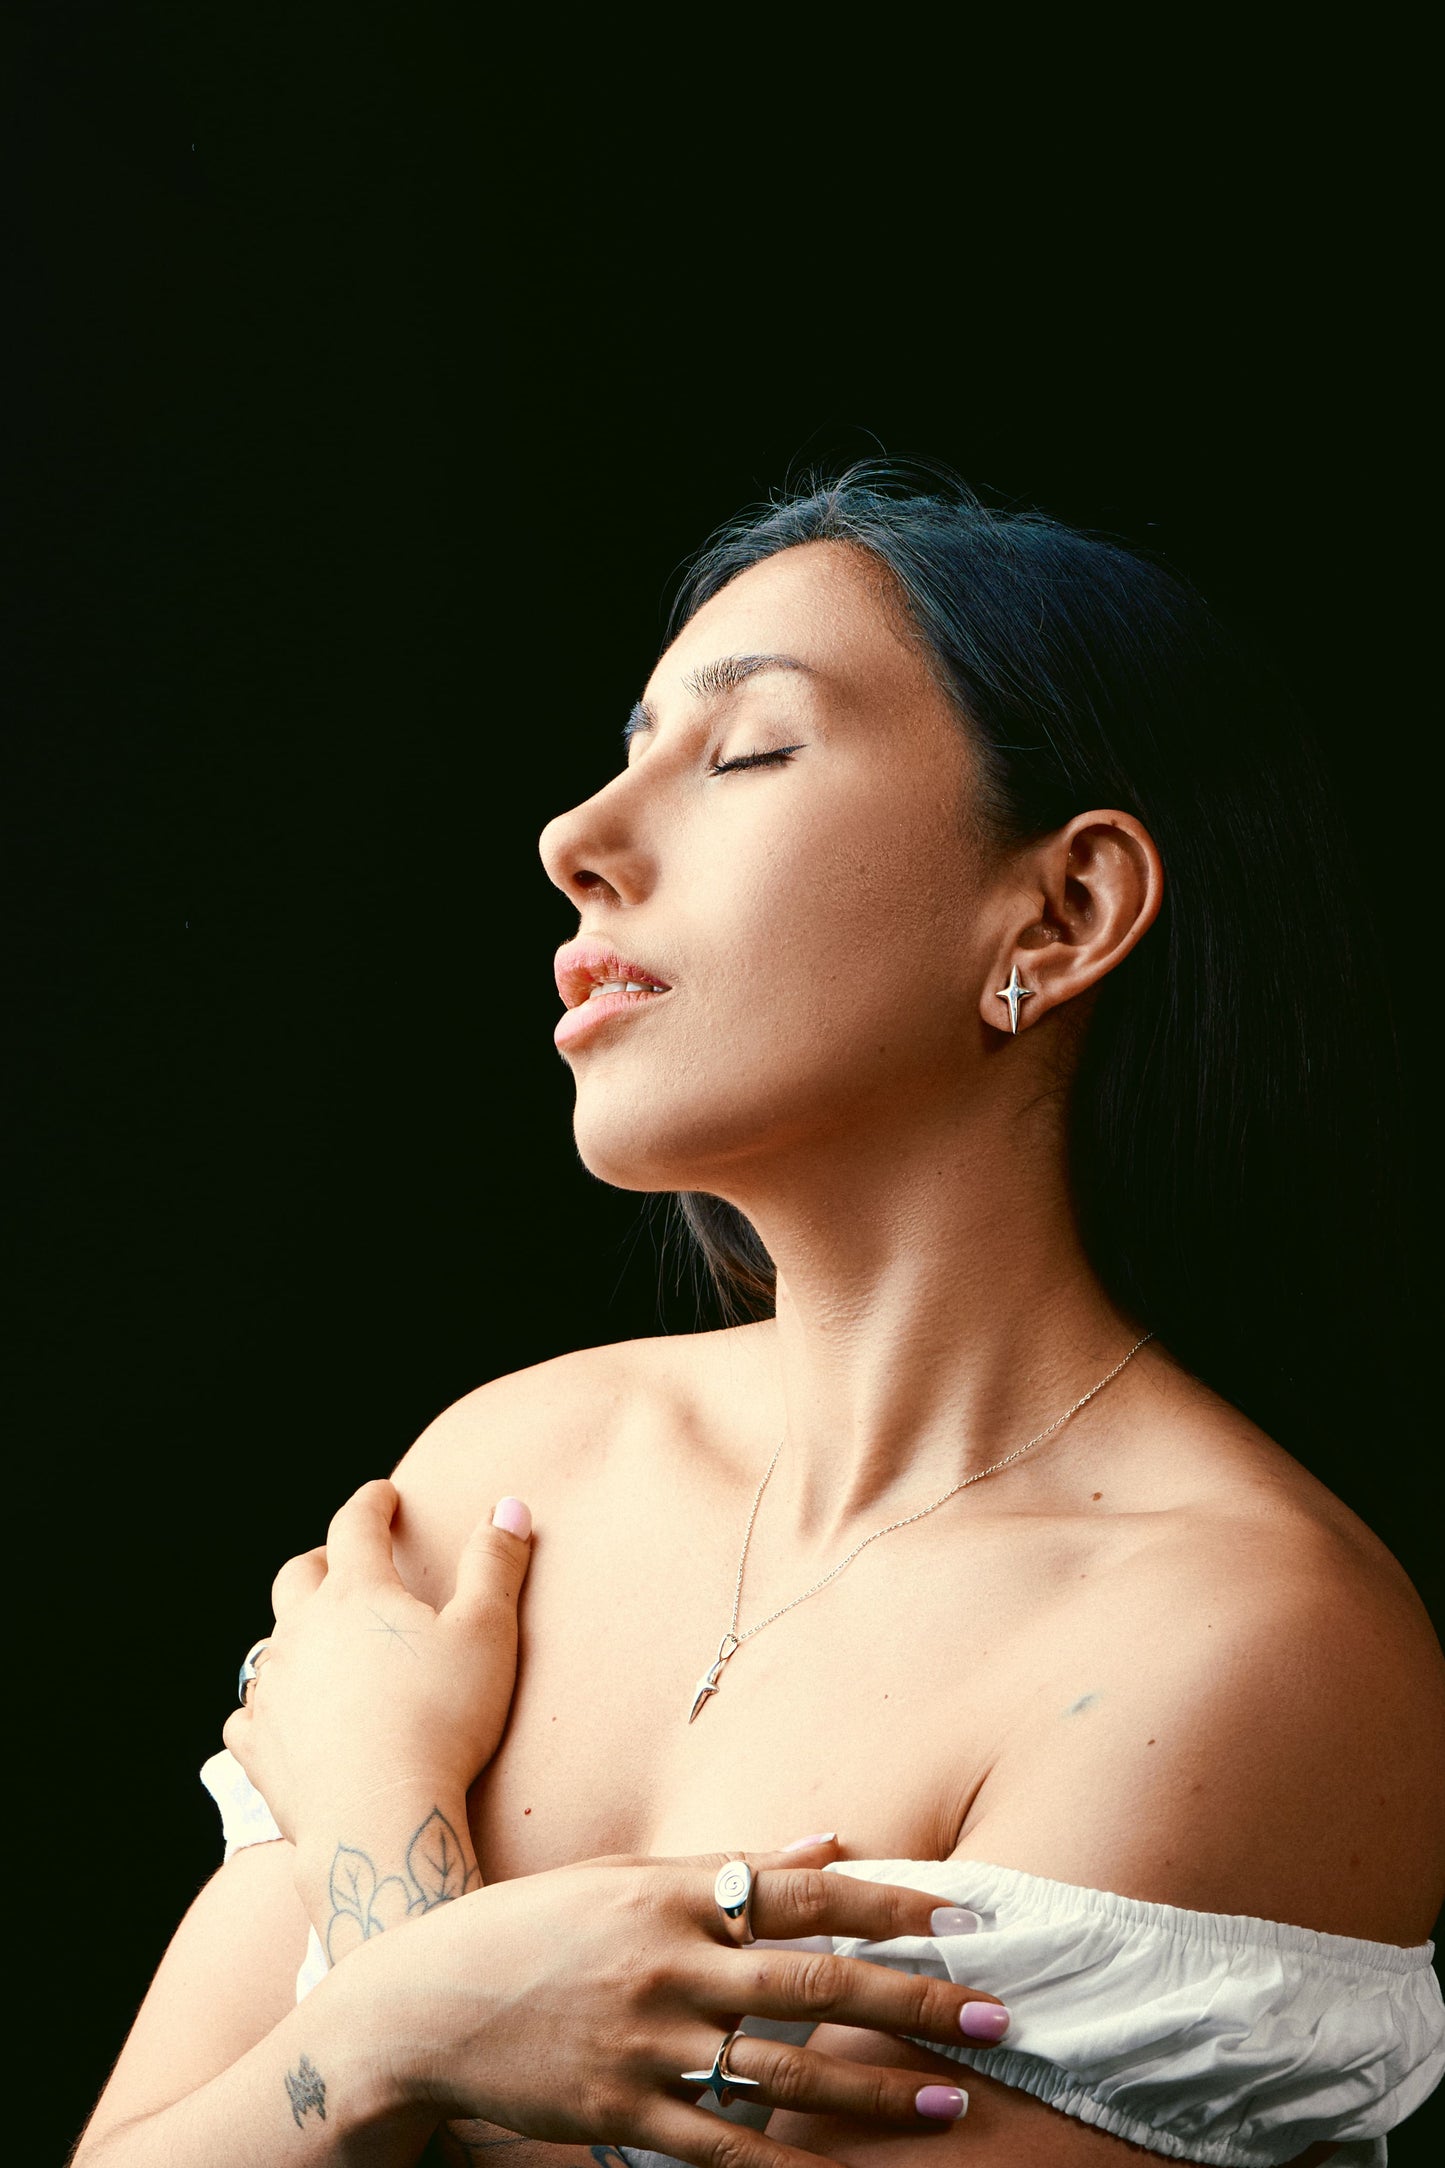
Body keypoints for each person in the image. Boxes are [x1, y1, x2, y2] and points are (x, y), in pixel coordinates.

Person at [74, 473, 1445, 2166]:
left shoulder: (1230, 1645)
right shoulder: (516, 1471)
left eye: (743, 754)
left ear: (1061, 911)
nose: (574, 838)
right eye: (627, 748)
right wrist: (399, 2016)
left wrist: (387, 1889)